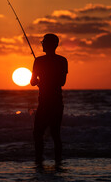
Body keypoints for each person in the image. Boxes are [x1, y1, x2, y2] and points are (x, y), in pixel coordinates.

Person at [30, 33, 68, 163]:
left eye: (44, 42)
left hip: (45, 103)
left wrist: (42, 81)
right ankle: (58, 162)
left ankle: (39, 161)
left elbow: (32, 82)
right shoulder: (62, 60)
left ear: (51, 44)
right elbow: (62, 82)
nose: (42, 44)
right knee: (55, 134)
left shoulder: (38, 61)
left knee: (38, 134)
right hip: (57, 102)